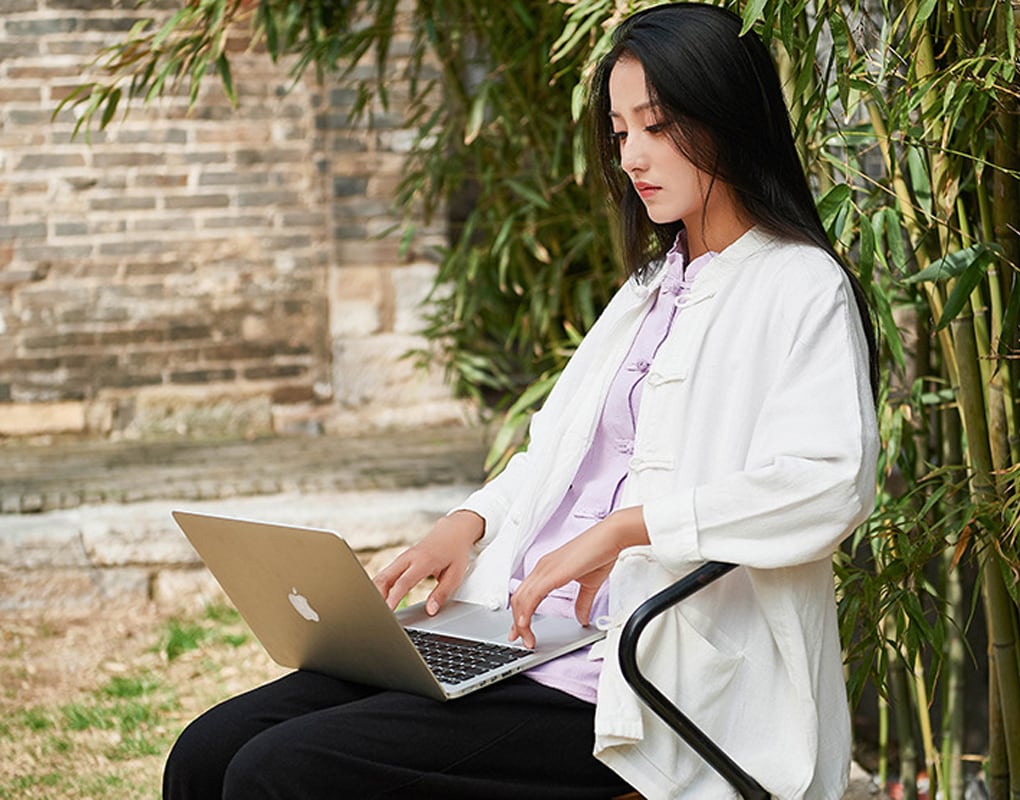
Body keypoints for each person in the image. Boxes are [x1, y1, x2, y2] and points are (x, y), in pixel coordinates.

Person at [162, 3, 879, 798]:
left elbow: (829, 484)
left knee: (281, 770)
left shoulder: (799, 286)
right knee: (209, 748)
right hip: (514, 633)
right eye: (618, 131)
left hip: (629, 672)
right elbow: (553, 458)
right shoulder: (647, 289)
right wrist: (467, 523)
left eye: (657, 125)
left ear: (730, 120)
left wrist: (630, 529)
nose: (632, 156)